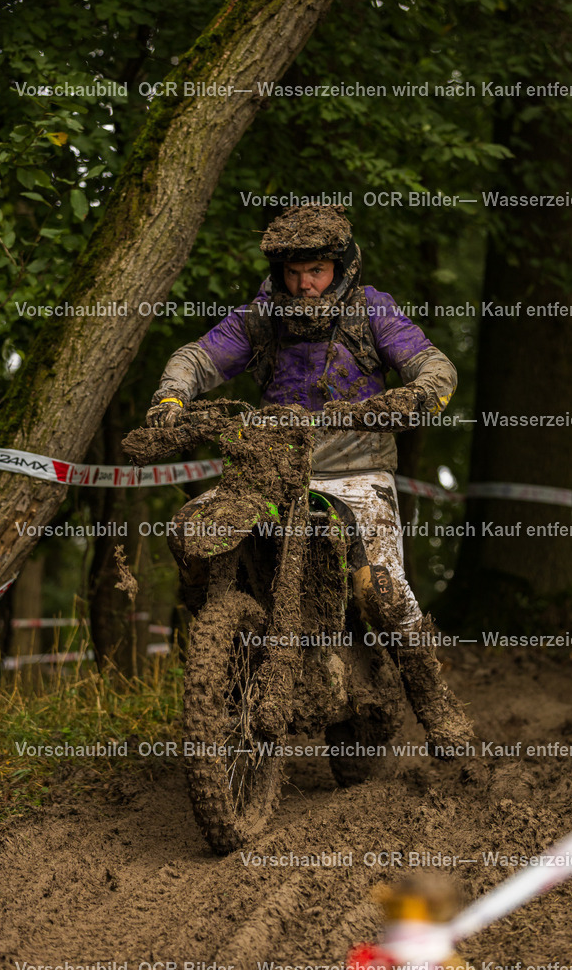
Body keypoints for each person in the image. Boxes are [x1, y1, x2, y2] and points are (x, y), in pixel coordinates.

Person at [146, 204, 472, 751]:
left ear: (341, 269)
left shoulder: (373, 313)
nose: (304, 286)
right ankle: (218, 653)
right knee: (191, 531)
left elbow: (434, 366)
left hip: (356, 471)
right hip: (270, 469)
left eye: (315, 271)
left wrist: (414, 396)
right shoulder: (260, 316)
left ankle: (437, 706)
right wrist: (171, 397)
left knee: (381, 593)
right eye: (293, 273)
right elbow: (199, 357)